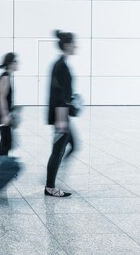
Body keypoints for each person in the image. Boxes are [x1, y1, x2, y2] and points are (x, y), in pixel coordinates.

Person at [45, 30, 79, 197]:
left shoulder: (62, 63)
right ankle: (50, 186)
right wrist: (70, 104)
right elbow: (58, 95)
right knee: (58, 150)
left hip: (62, 113)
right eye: (73, 43)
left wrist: (71, 102)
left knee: (73, 145)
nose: (76, 46)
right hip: (60, 114)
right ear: (67, 45)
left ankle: (55, 174)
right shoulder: (60, 66)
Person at [0, 53, 18, 156]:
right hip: (1, 115)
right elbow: (1, 97)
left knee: (6, 141)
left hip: (2, 114)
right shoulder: (5, 77)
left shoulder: (6, 76)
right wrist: (4, 115)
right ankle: (0, 166)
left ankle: (2, 164)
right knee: (6, 142)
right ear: (10, 63)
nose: (17, 64)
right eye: (15, 61)